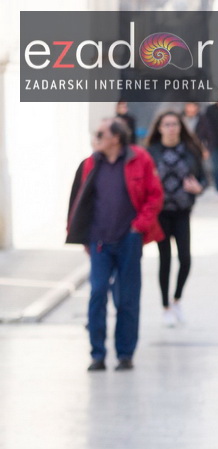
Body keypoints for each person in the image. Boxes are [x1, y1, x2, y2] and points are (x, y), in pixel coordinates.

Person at [67, 118, 165, 371]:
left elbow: (155, 195)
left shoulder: (139, 159)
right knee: (97, 293)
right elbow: (78, 200)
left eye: (101, 133)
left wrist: (138, 228)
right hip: (99, 240)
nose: (96, 138)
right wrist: (79, 234)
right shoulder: (90, 163)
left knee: (127, 298)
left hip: (128, 240)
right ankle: (97, 354)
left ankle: (125, 353)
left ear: (115, 138)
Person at [146, 111, 207, 327]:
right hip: (161, 213)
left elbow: (203, 178)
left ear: (180, 127)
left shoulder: (190, 150)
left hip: (182, 211)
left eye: (175, 124)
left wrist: (198, 188)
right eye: (167, 124)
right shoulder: (151, 152)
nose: (171, 128)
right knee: (165, 260)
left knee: (185, 259)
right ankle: (165, 307)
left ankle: (177, 299)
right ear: (160, 128)